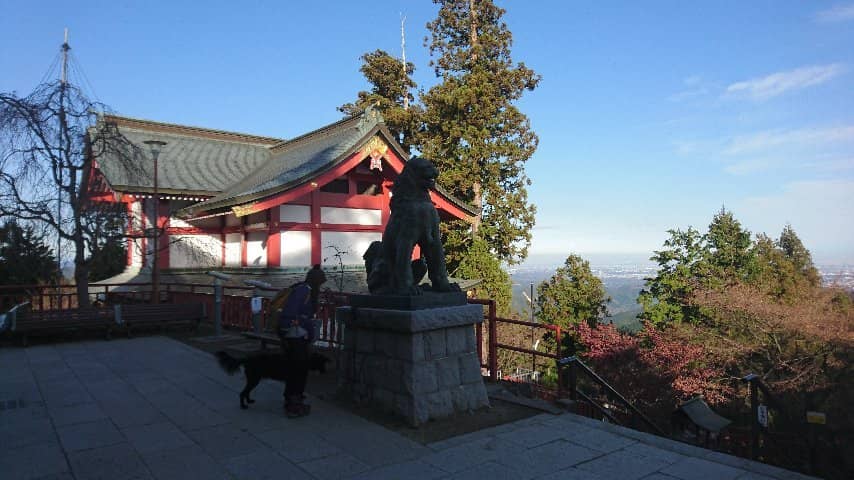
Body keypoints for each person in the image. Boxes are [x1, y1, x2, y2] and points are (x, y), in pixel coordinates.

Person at [277, 281, 314, 418]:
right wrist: (309, 331)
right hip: (296, 335)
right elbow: (296, 315)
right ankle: (294, 405)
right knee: (299, 369)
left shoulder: (296, 290)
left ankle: (290, 399)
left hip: (290, 334)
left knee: (294, 368)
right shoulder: (305, 291)